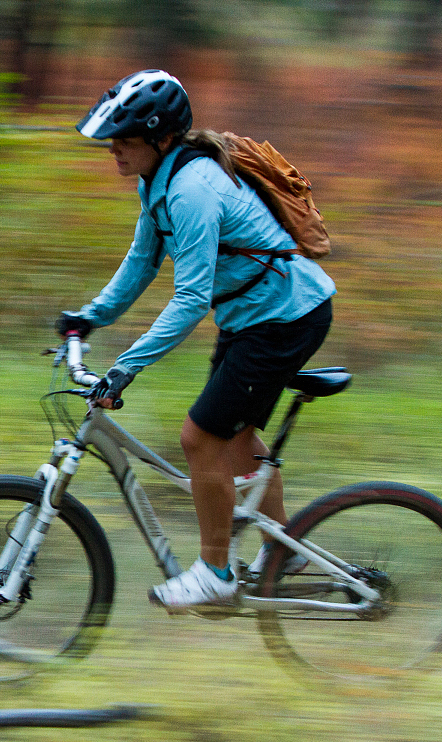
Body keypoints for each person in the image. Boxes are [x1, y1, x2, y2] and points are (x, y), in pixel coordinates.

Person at [58, 69, 336, 611]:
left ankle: (215, 573)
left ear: (161, 137)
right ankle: (289, 552)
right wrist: (89, 318)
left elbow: (190, 298)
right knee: (233, 438)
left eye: (124, 138)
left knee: (199, 438)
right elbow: (142, 262)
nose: (112, 149)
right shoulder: (158, 182)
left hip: (285, 317)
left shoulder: (191, 189)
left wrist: (126, 366)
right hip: (254, 317)